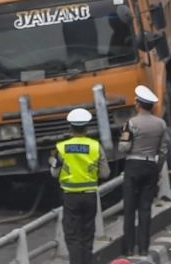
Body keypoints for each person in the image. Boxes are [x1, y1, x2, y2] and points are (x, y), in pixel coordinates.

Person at [50, 108, 111, 264]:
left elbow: (54, 173)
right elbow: (105, 173)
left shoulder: (61, 148)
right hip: (90, 196)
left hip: (70, 196)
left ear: (70, 127)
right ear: (86, 127)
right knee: (88, 234)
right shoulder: (95, 146)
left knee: (73, 236)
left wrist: (54, 161)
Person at [118, 85, 169, 258]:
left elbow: (124, 146)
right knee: (145, 209)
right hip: (151, 167)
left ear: (138, 104)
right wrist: (158, 169)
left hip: (133, 166)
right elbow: (163, 151)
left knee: (130, 209)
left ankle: (129, 249)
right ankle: (144, 248)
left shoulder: (130, 124)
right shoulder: (161, 124)